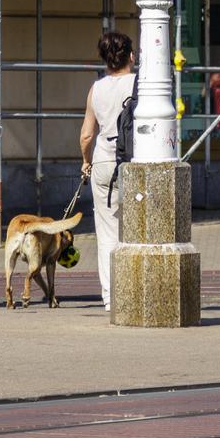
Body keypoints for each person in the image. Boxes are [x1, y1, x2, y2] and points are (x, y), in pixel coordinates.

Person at [79, 31, 136, 311]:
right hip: (135, 162)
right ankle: (137, 289)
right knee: (137, 229)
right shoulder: (142, 84)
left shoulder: (96, 89)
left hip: (103, 161)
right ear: (132, 56)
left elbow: (87, 134)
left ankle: (112, 297)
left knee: (106, 232)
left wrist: (85, 161)